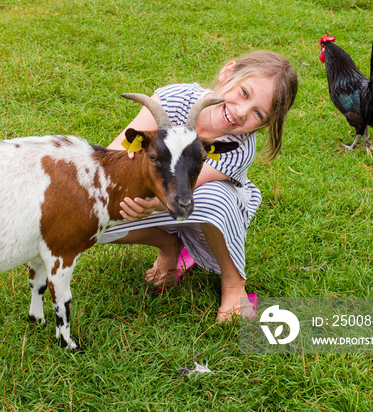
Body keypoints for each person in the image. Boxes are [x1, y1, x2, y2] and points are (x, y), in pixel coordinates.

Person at [98, 50, 298, 321]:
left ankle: (233, 284)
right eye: (244, 93)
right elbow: (113, 160)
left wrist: (151, 205)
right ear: (228, 72)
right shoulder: (173, 99)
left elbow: (186, 189)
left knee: (214, 195)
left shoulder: (237, 147)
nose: (241, 112)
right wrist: (124, 198)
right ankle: (168, 245)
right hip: (160, 198)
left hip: (202, 216)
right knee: (97, 210)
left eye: (258, 114)